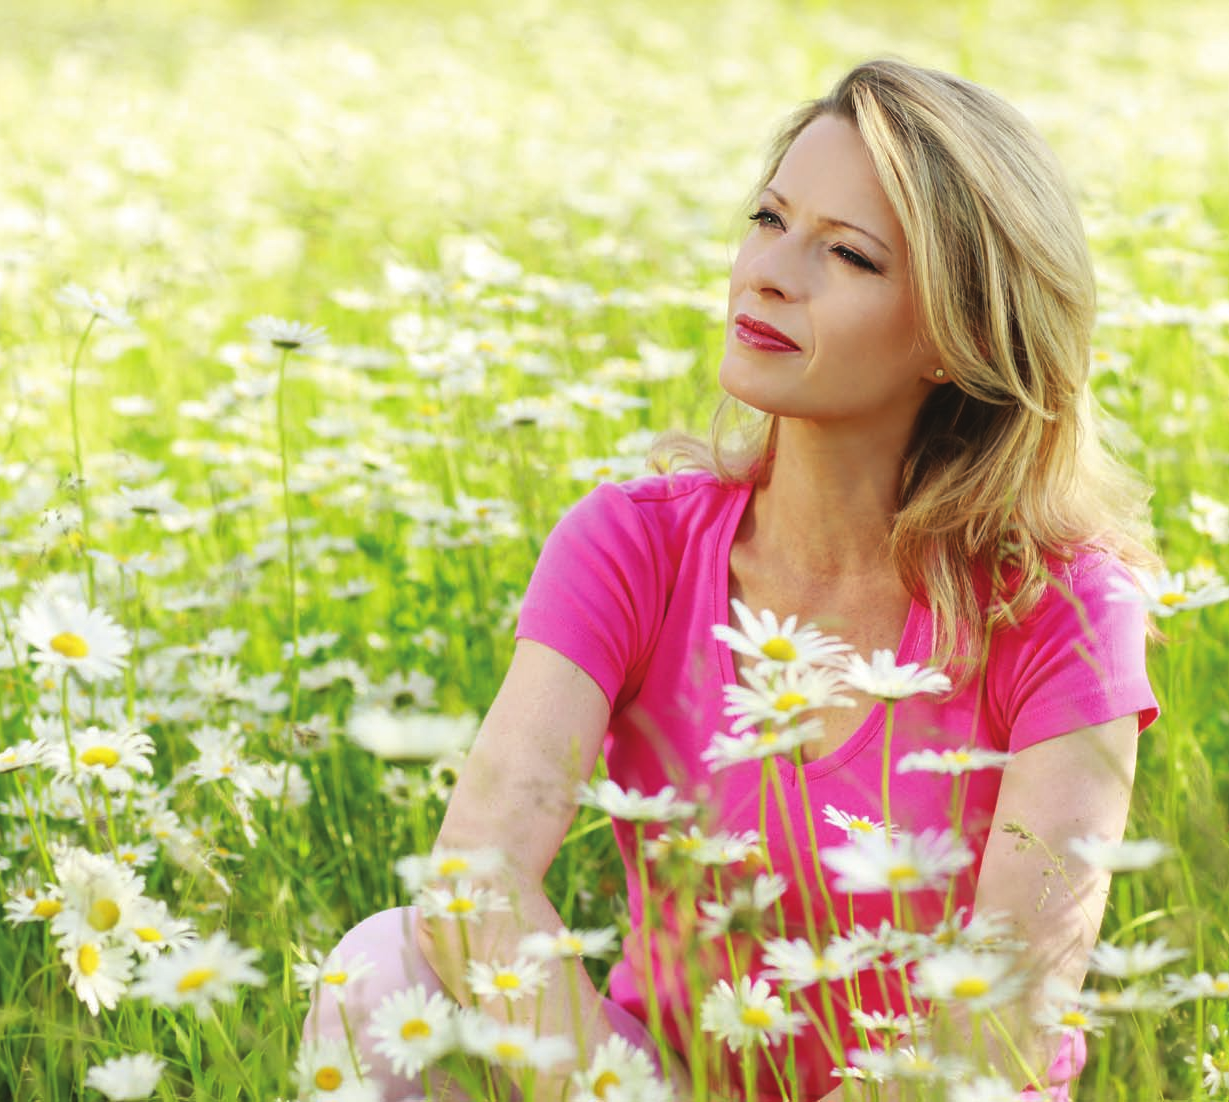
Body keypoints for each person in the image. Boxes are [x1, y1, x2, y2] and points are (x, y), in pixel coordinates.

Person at [301, 57, 1160, 1102]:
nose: (769, 272)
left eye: (845, 253)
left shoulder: (1062, 607)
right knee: (383, 968)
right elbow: (471, 879)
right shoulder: (630, 544)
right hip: (655, 1086)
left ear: (957, 332)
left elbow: (1006, 1013)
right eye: (768, 219)